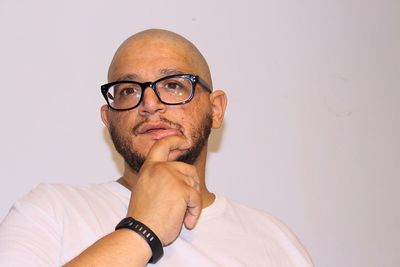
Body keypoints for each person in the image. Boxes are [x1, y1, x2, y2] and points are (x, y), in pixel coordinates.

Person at [0, 29, 314, 267]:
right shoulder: (49, 212)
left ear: (215, 109)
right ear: (108, 119)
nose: (150, 104)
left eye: (173, 85)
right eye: (127, 90)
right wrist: (142, 230)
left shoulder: (275, 243)